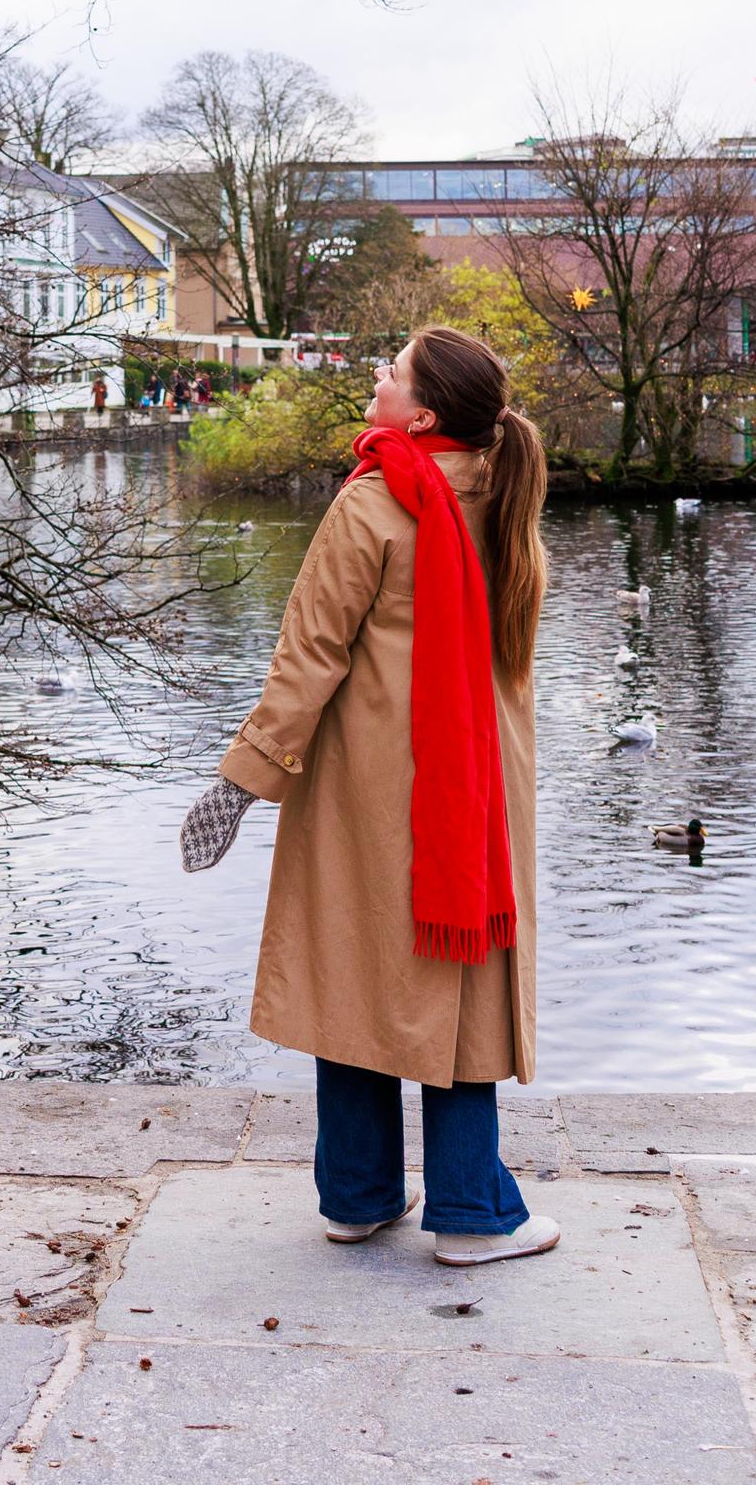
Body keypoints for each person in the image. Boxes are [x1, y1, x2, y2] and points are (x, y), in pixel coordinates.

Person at [178, 326, 554, 1266]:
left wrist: (240, 782)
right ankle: (470, 1211)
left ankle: (358, 1197)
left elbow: (310, 657)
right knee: (458, 981)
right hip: (475, 792)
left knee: (350, 969)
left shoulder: (377, 501)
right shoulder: (505, 495)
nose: (375, 377)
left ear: (420, 414)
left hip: (364, 788)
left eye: (393, 371)